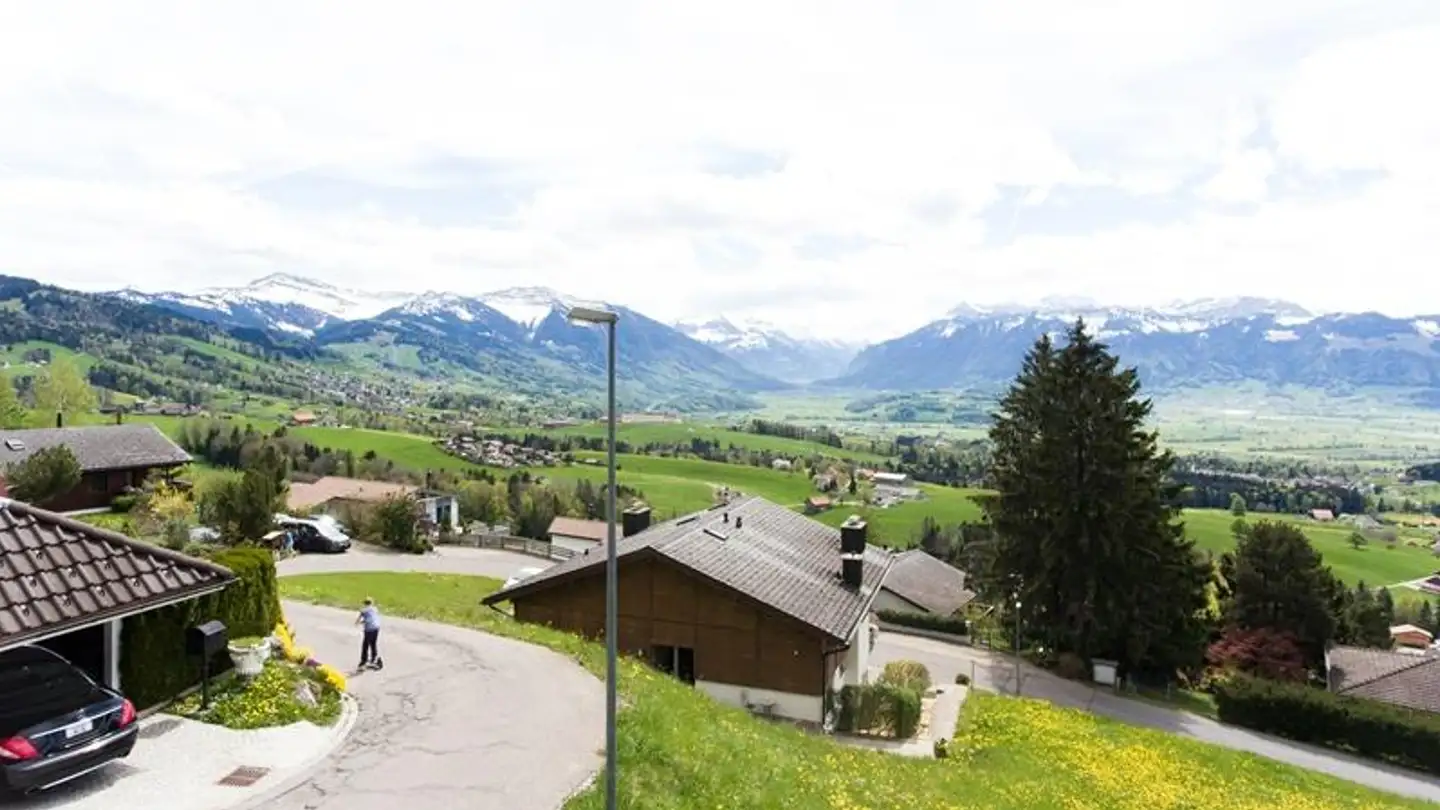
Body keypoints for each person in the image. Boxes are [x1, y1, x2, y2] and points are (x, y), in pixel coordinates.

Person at [355, 597, 383, 669]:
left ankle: (363, 661)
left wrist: (358, 622)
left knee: (365, 645)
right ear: (372, 603)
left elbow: (358, 620)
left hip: (369, 630)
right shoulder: (375, 609)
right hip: (376, 628)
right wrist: (363, 622)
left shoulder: (363, 610)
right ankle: (374, 658)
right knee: (373, 644)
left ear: (365, 603)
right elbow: (371, 618)